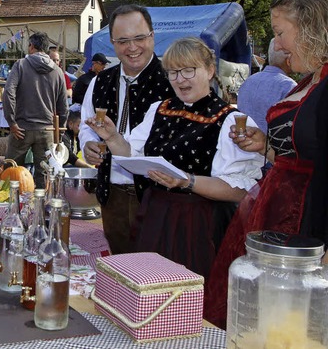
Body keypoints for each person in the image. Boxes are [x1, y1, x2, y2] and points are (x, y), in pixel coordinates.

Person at [205, 0, 328, 328]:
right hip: (279, 214)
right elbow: (305, 154)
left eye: (281, 31)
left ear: (310, 25)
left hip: (308, 226)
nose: (278, 43)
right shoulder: (310, 78)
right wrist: (267, 146)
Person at [86, 37, 263, 278]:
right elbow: (131, 154)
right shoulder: (159, 109)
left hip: (200, 224)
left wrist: (187, 181)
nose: (180, 79)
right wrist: (112, 137)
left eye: (188, 70)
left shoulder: (230, 119)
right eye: (173, 72)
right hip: (156, 216)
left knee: (190, 294)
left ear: (210, 70)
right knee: (150, 290)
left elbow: (241, 189)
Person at [79, 4, 174, 255]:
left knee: (156, 272)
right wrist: (87, 144)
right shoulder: (101, 80)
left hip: (159, 197)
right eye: (123, 41)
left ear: (152, 36)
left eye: (139, 38)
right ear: (112, 43)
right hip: (112, 195)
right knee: (120, 268)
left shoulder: (173, 81)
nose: (132, 48)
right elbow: (86, 125)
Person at [3, 31, 68, 189]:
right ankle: (43, 209)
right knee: (45, 175)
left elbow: (8, 92)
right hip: (46, 130)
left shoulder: (21, 65)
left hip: (21, 128)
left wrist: (11, 121)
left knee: (11, 172)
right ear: (46, 49)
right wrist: (59, 133)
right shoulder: (58, 72)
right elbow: (63, 107)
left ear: (31, 46)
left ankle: (9, 207)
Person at [237, 38, 297, 133]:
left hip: (242, 143)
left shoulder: (248, 81)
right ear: (288, 59)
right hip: (270, 145)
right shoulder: (289, 86)